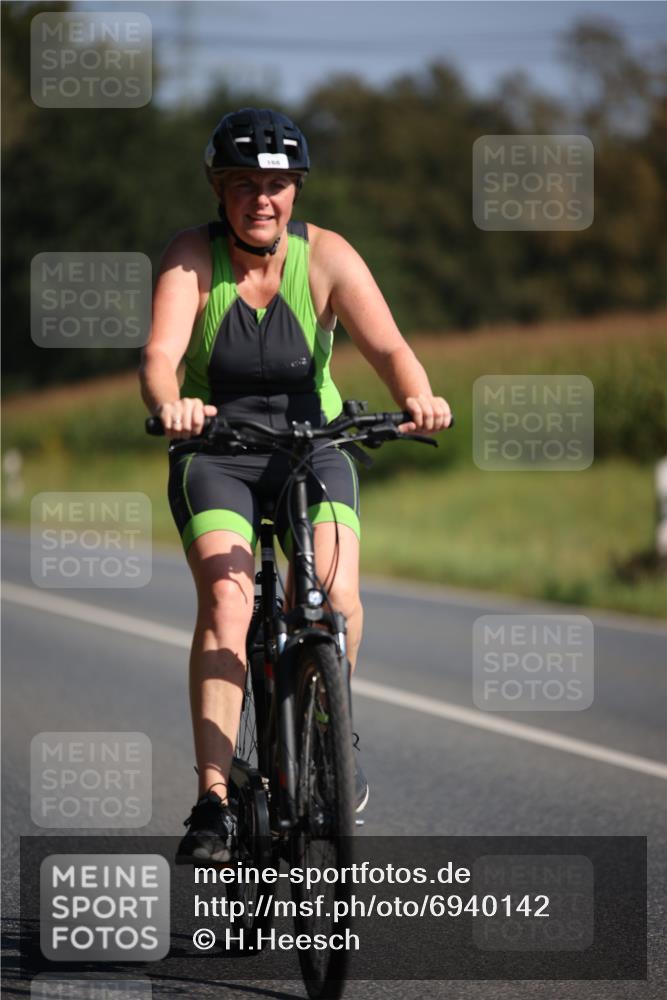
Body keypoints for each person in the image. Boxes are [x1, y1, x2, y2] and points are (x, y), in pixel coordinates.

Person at [139, 108, 452, 863]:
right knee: (227, 602)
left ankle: (327, 738)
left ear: (296, 190)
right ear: (219, 190)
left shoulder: (327, 256)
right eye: (243, 184)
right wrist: (171, 404)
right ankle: (213, 800)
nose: (261, 199)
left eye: (275, 185)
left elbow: (390, 348)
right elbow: (159, 356)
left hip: (316, 446)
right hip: (218, 450)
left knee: (335, 597)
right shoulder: (191, 257)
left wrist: (418, 395)